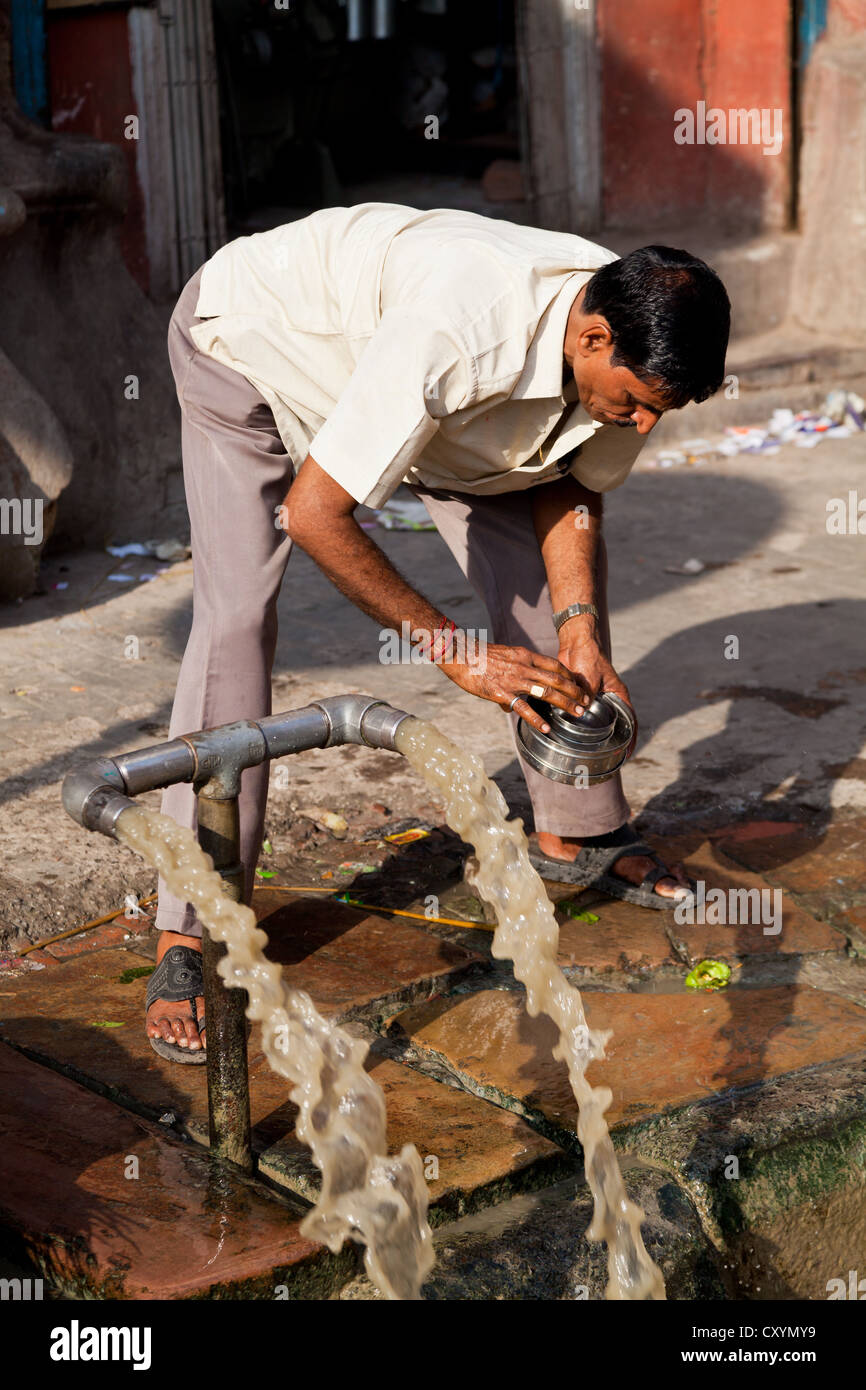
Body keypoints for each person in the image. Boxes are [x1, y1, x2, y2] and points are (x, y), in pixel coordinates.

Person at [144, 203, 730, 1061]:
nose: (643, 427)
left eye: (659, 414)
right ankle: (187, 928)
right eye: (638, 405)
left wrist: (579, 630)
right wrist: (457, 655)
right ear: (593, 339)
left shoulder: (624, 344)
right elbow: (317, 515)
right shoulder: (462, 331)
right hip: (254, 349)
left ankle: (580, 829)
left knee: (552, 610)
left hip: (442, 416)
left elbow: (568, 486)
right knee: (235, 622)